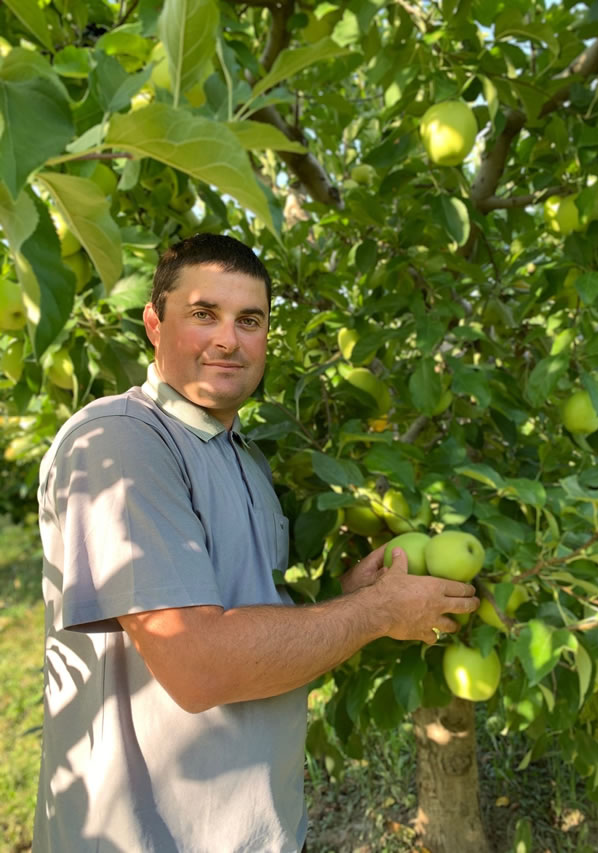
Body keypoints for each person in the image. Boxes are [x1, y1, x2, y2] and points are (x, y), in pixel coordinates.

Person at [33, 233, 479, 852]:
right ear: (153, 325)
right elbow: (197, 664)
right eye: (202, 314)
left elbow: (244, 622)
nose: (228, 339)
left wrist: (348, 600)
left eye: (250, 320)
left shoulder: (244, 459)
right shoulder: (120, 442)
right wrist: (375, 613)